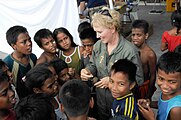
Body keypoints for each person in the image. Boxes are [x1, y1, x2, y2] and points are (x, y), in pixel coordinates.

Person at [81, 8, 143, 119]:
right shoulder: (98, 46)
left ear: (113, 28)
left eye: (100, 32)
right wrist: (87, 70)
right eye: (96, 32)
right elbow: (93, 64)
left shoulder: (129, 51)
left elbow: (138, 80)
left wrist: (111, 82)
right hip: (101, 102)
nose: (97, 36)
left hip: (121, 107)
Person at [137, 52, 181, 120]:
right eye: (161, 79)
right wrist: (149, 104)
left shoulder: (176, 110)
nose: (165, 86)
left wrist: (151, 118)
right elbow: (164, 104)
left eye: (172, 82)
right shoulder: (169, 91)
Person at [3, 25, 37, 99]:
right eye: (24, 42)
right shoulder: (7, 64)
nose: (29, 43)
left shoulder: (33, 57)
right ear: (14, 46)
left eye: (29, 39)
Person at [131, 19, 157, 100]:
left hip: (143, 88)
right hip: (131, 85)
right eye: (133, 35)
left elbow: (153, 76)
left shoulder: (150, 54)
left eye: (139, 35)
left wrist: (148, 96)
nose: (135, 38)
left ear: (146, 36)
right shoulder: (129, 49)